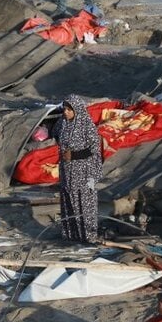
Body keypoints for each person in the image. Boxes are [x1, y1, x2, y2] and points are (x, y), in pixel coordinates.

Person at [53, 95, 102, 243]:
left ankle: (88, 236)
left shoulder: (87, 125)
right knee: (69, 199)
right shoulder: (63, 124)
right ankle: (72, 235)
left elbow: (94, 147)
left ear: (77, 110)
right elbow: (56, 135)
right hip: (68, 172)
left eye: (69, 109)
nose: (66, 112)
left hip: (86, 172)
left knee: (86, 201)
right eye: (65, 109)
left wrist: (74, 154)